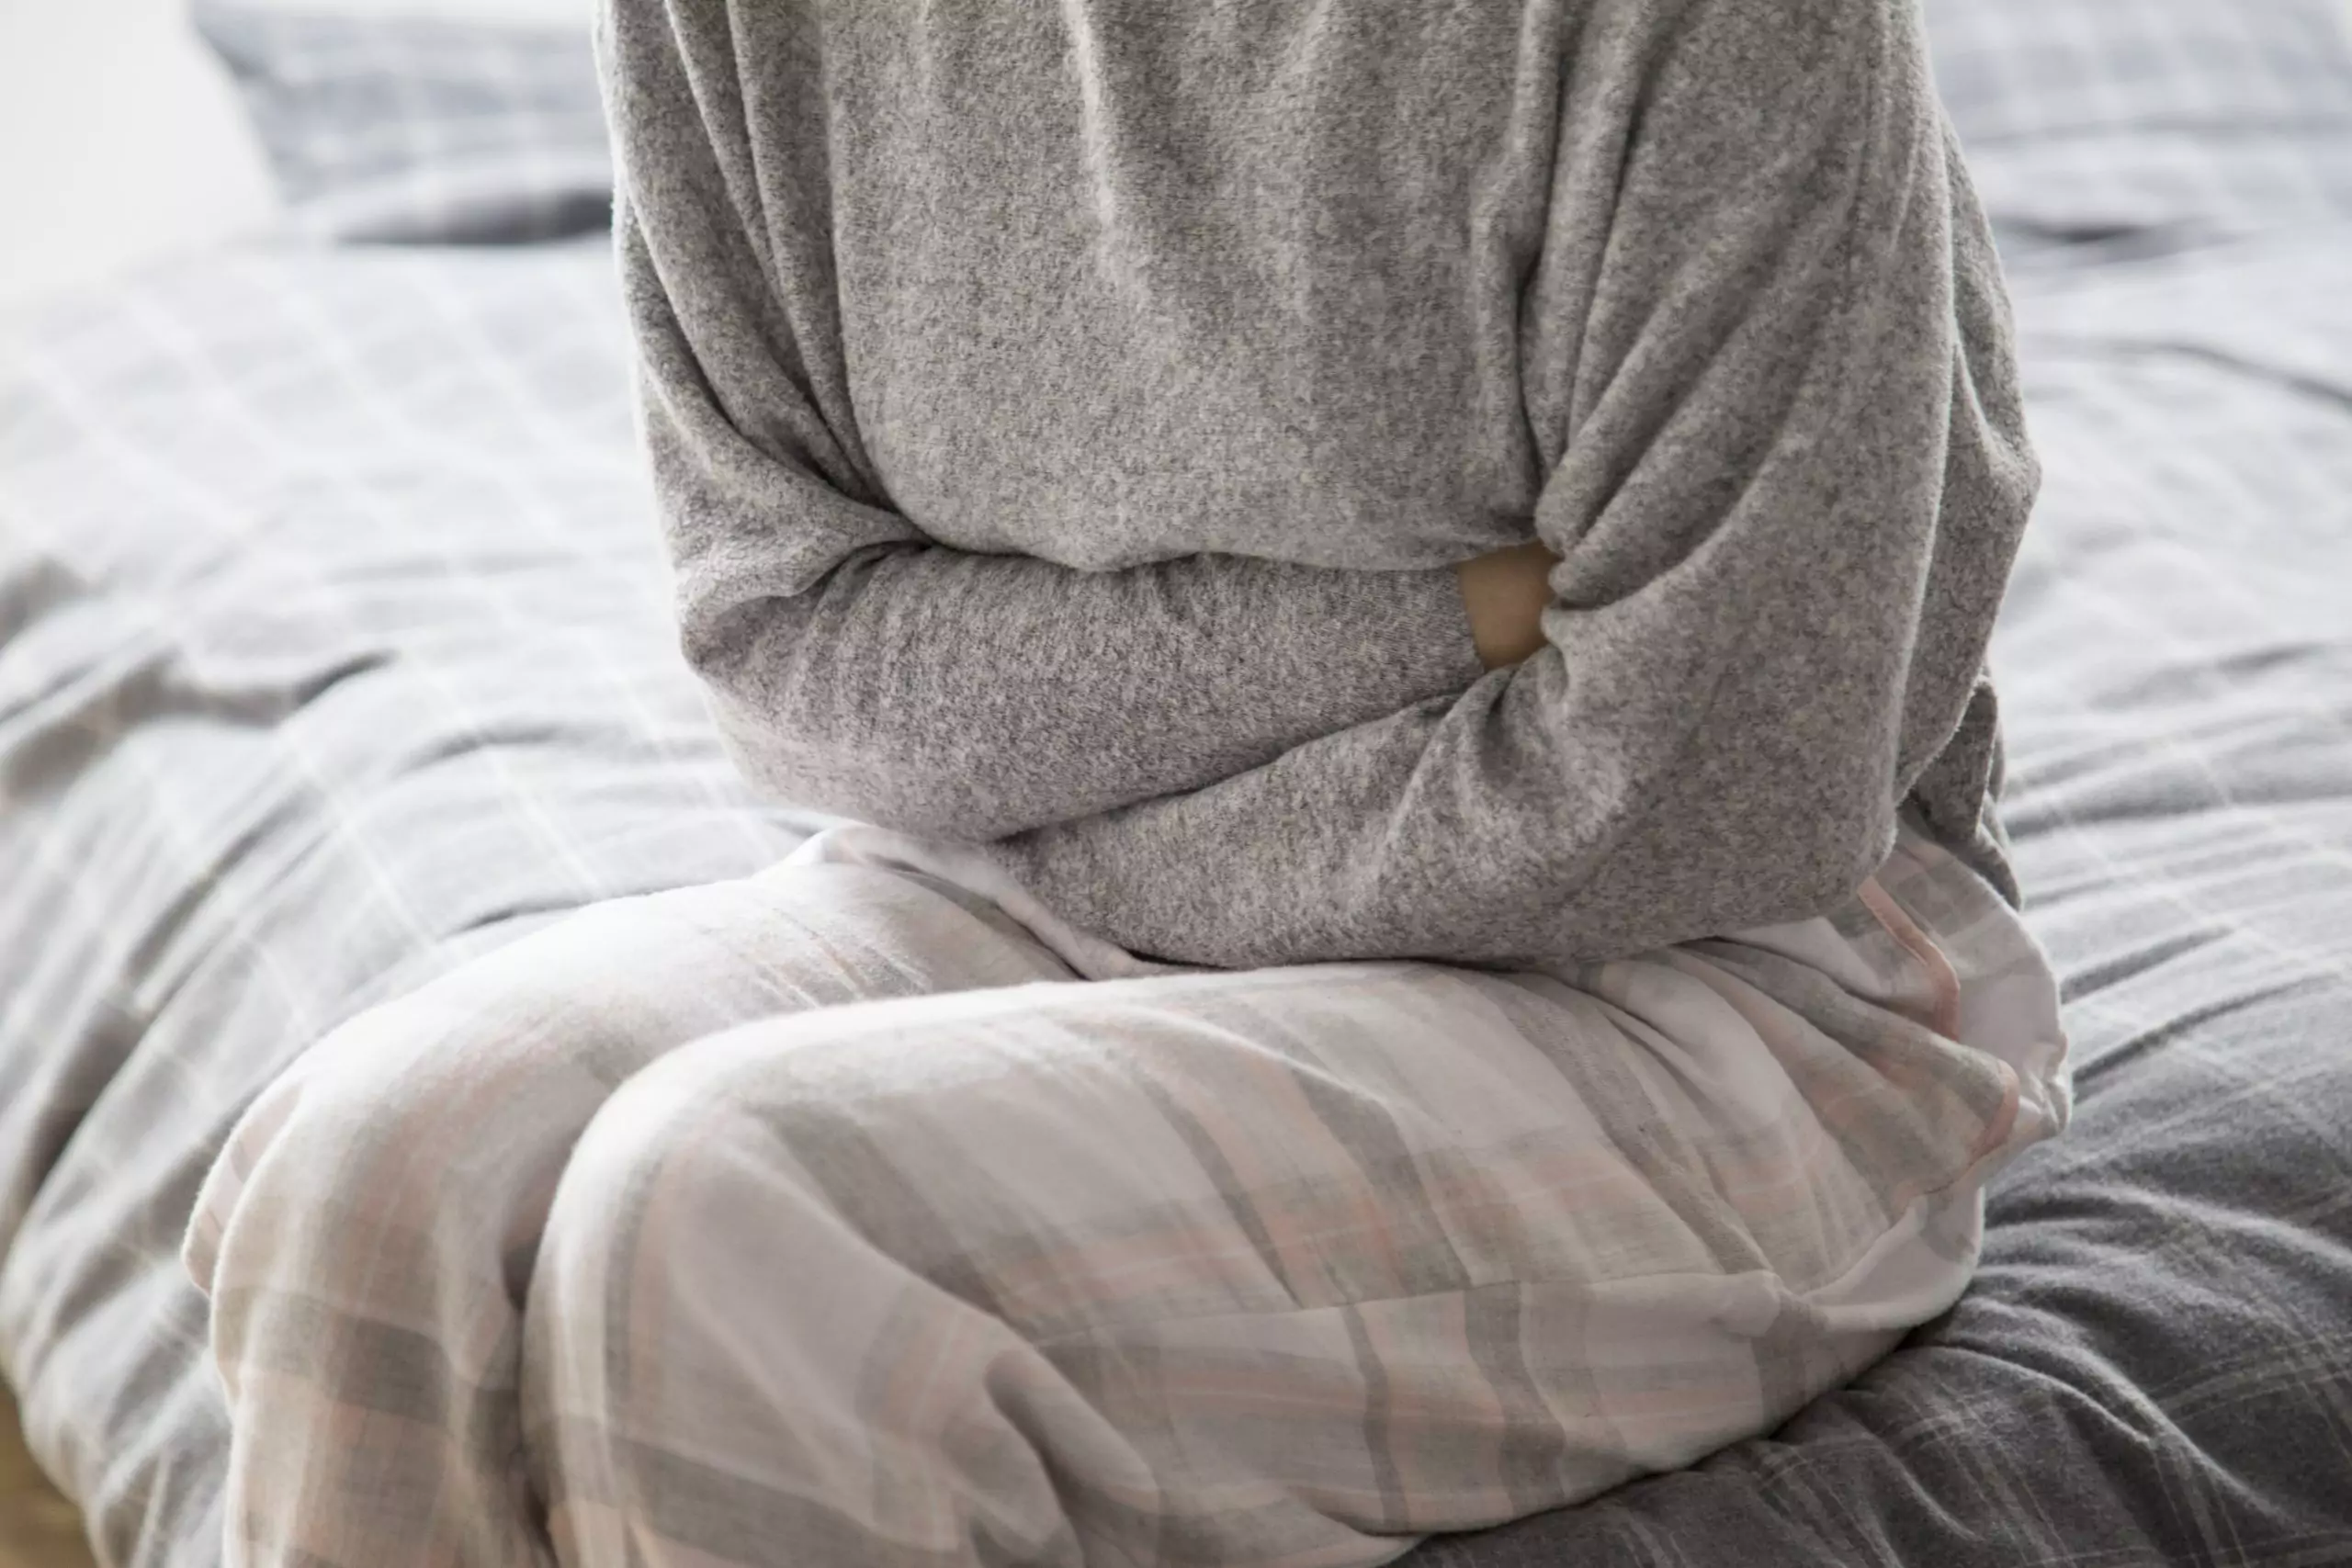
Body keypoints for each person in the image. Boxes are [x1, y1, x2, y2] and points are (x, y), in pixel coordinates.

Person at [184, 0, 2072, 1562]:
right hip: (1036, 885)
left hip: (1722, 982)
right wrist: (1460, 623)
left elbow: (1703, 775)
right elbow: (786, 650)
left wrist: (1080, 791)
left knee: (734, 1225)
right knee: (388, 1167)